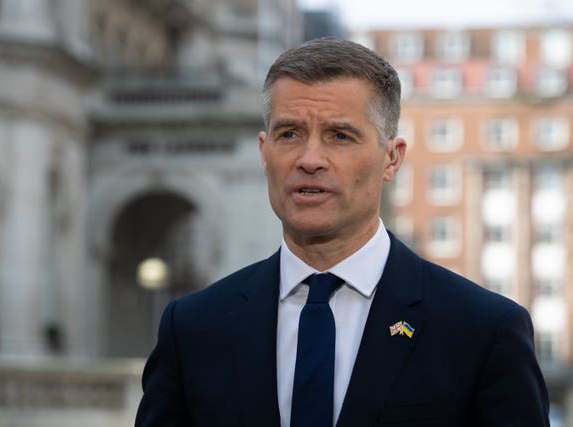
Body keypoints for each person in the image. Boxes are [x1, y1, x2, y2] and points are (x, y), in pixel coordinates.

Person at [135, 37, 550, 426]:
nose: (309, 158)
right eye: (290, 133)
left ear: (391, 158)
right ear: (264, 152)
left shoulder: (483, 331)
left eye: (339, 136)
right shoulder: (191, 329)